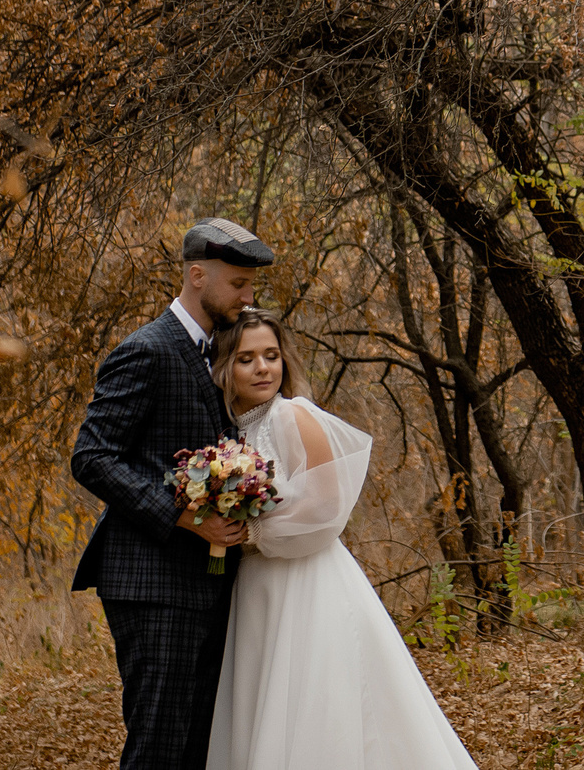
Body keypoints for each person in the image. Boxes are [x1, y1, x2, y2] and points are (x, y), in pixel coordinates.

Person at [205, 308, 480, 770]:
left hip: (308, 582)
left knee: (320, 698)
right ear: (225, 368)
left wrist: (250, 531)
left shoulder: (292, 415)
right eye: (246, 358)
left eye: (271, 355)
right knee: (264, 697)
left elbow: (326, 508)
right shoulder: (234, 433)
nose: (263, 368)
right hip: (257, 585)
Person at [72, 218, 277, 770]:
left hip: (208, 587)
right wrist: (185, 517)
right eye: (237, 284)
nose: (247, 296)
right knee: (158, 749)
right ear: (196, 275)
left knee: (197, 750)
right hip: (152, 583)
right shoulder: (146, 350)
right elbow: (91, 456)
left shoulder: (219, 352)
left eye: (250, 285)